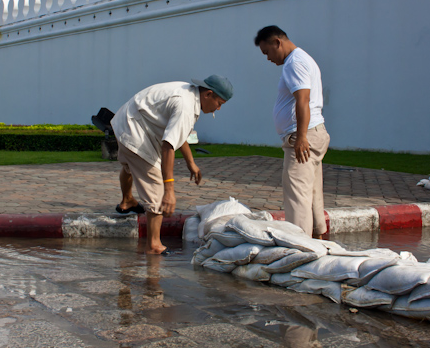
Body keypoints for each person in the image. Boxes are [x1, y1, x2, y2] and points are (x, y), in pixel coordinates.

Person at [111, 75, 233, 255]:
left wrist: (191, 162)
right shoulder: (185, 106)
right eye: (219, 102)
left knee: (130, 165)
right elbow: (168, 145)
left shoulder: (188, 94)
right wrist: (169, 190)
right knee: (157, 191)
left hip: (126, 120)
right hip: (135, 130)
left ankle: (127, 200)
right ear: (208, 94)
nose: (219, 108)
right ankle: (153, 245)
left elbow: (178, 134)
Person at [254, 25, 330, 238]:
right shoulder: (304, 59)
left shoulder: (293, 63)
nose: (268, 58)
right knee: (312, 192)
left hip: (303, 136)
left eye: (267, 52)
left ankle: (301, 247)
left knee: (297, 195)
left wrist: (302, 137)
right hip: (314, 133)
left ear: (277, 42)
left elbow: (302, 99)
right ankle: (319, 239)